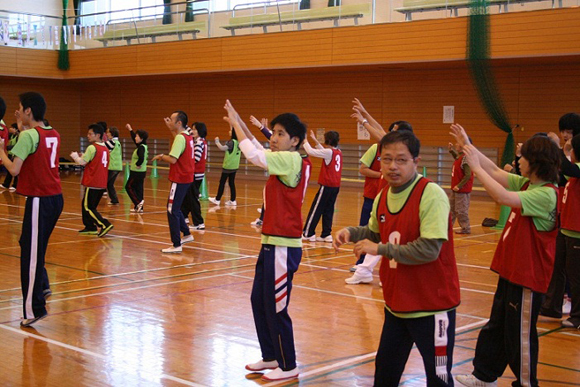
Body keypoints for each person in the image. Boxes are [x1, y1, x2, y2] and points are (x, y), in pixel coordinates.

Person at [333, 130, 460, 386]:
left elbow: (428, 250)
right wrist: (351, 232)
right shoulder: (382, 196)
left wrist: (379, 249)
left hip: (433, 308)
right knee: (385, 375)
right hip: (397, 306)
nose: (392, 166)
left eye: (401, 160)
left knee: (439, 379)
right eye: (386, 159)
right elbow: (376, 231)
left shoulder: (431, 194)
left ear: (416, 160)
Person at [451, 124, 560, 387]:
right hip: (511, 272)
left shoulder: (546, 194)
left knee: (519, 335)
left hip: (527, 279)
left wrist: (474, 168)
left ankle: (525, 383)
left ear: (536, 163)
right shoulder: (527, 183)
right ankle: (484, 376)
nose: (518, 159)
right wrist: (468, 145)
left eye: (523, 156)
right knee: (497, 326)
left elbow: (500, 195)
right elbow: (496, 172)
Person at [224, 100, 310, 382]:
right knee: (259, 300)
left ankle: (289, 365)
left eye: (281, 133)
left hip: (285, 245)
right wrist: (242, 126)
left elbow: (253, 155)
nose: (273, 137)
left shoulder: (292, 159)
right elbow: (258, 149)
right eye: (272, 131)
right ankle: (271, 355)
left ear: (295, 140)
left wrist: (236, 121)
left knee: (276, 306)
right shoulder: (284, 158)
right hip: (271, 242)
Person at [0, 92, 64, 327]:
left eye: (20, 109)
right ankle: (43, 285)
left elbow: (14, 170)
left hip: (40, 200)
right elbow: (33, 146)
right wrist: (19, 126)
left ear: (28, 110)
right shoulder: (52, 132)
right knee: (28, 245)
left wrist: (1, 153)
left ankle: (34, 308)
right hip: (54, 198)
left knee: (30, 256)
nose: (17, 112)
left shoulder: (28, 136)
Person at [540, 113, 580, 320]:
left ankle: (577, 314)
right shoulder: (570, 164)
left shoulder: (576, 165)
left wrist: (558, 148)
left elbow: (569, 169)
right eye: (563, 131)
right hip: (564, 224)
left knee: (575, 275)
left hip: (576, 229)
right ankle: (551, 305)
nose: (566, 135)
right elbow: (562, 175)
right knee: (557, 268)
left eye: (569, 132)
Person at [152, 110, 195, 253]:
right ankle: (187, 234)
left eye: (171, 120)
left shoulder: (181, 138)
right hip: (187, 177)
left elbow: (173, 159)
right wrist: (170, 128)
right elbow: (178, 141)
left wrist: (161, 156)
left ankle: (176, 244)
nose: (169, 121)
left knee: (172, 210)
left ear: (179, 123)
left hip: (180, 178)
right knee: (175, 208)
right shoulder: (186, 136)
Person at [70, 123, 114, 237]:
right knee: (89, 205)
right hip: (101, 182)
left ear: (98, 135)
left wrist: (75, 156)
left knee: (88, 207)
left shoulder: (92, 147)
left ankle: (104, 224)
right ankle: (90, 227)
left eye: (90, 134)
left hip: (93, 182)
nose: (88, 136)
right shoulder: (105, 148)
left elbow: (82, 162)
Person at [302, 129, 341, 243]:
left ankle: (308, 233)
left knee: (316, 208)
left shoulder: (329, 152)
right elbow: (324, 152)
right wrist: (314, 140)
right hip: (335, 187)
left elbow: (310, 151)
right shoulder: (337, 151)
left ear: (327, 140)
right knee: (328, 210)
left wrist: (304, 140)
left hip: (327, 186)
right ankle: (326, 234)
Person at [182, 122, 207, 230]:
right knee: (188, 197)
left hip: (195, 174)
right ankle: (184, 216)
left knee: (192, 199)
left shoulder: (199, 142)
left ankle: (199, 223)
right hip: (197, 174)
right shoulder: (201, 141)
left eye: (195, 129)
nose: (193, 131)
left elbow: (196, 158)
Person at [209, 127, 241, 207]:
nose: (229, 131)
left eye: (231, 130)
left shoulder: (231, 142)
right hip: (235, 166)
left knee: (222, 183)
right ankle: (233, 200)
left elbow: (222, 148)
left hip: (228, 166)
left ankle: (217, 199)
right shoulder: (239, 142)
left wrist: (217, 142)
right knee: (231, 183)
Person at [448, 139, 474, 234]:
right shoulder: (461, 157)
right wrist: (452, 150)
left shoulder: (466, 158)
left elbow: (468, 175)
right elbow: (457, 158)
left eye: (458, 143)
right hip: (456, 189)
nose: (456, 144)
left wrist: (459, 186)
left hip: (462, 190)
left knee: (461, 210)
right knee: (451, 209)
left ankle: (465, 228)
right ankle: (448, 227)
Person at [125, 124, 148, 213]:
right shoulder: (143, 145)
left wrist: (138, 163)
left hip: (136, 172)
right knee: (138, 189)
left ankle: (138, 203)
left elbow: (141, 157)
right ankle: (139, 207)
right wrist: (130, 130)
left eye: (137, 136)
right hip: (142, 172)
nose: (135, 137)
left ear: (141, 138)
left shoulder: (141, 148)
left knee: (128, 187)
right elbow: (134, 138)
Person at [105, 126, 122, 205]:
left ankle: (95, 198)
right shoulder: (118, 143)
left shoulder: (112, 142)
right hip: (117, 166)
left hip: (112, 166)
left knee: (104, 183)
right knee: (109, 184)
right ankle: (114, 200)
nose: (107, 134)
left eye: (108, 132)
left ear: (112, 134)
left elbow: (102, 147)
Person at [1, 123, 19, 190]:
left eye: (12, 128)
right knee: (9, 170)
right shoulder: (12, 136)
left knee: (15, 171)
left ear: (16, 129)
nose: (10, 129)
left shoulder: (18, 137)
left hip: (14, 155)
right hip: (10, 154)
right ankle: (6, 184)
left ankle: (15, 185)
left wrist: (10, 147)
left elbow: (17, 146)